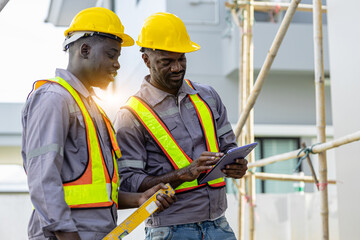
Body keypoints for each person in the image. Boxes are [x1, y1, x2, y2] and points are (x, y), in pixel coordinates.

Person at [21, 7, 174, 240]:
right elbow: (43, 179)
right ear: (85, 49)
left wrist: (139, 199)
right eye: (111, 55)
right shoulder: (54, 98)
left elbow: (96, 192)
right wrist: (68, 235)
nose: (117, 65)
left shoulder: (93, 108)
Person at [114, 12, 248, 240]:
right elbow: (129, 182)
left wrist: (236, 165)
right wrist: (181, 175)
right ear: (146, 60)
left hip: (219, 224)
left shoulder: (208, 96)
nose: (177, 68)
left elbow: (229, 148)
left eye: (181, 59)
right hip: (170, 230)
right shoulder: (131, 115)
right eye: (167, 62)